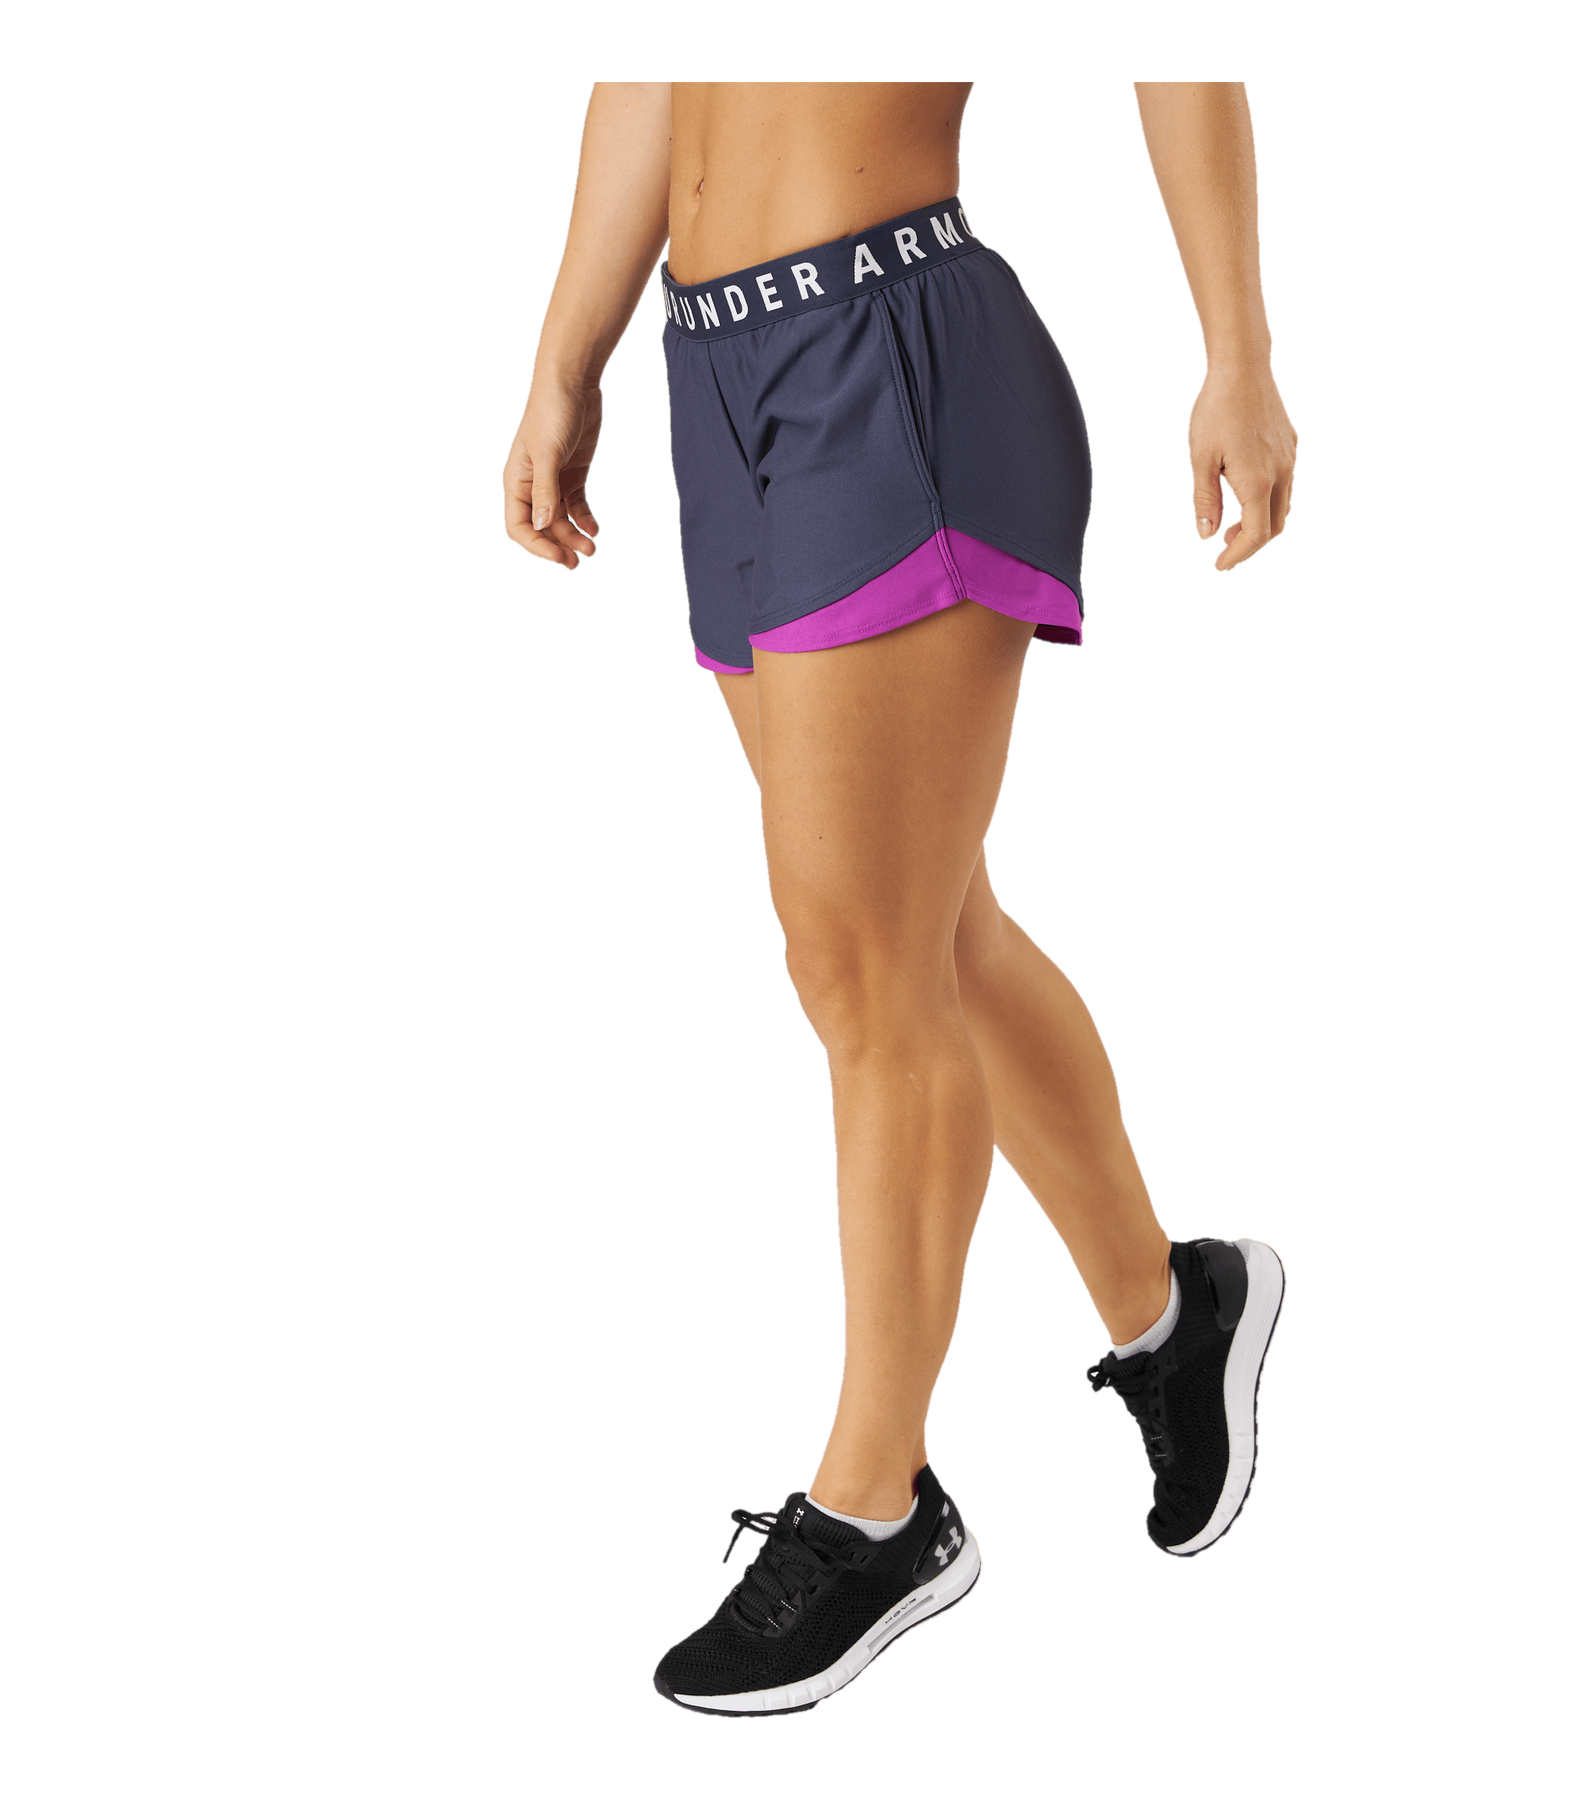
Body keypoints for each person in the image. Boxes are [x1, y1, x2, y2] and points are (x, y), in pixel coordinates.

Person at [500, 79, 1298, 1721]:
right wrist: (565, 360)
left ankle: (877, 1508)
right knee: (928, 935)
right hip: (717, 372)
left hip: (891, 356)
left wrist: (1239, 351)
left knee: (863, 974)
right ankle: (1175, 1313)